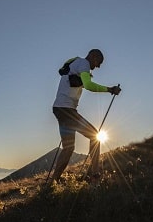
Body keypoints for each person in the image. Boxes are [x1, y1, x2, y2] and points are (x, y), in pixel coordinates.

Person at [51, 48, 121, 182]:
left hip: (60, 109)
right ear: (93, 56)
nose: (98, 66)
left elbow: (70, 79)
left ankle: (53, 183)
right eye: (99, 62)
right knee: (95, 136)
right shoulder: (84, 64)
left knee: (68, 148)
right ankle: (95, 176)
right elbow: (88, 86)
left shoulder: (75, 63)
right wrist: (110, 89)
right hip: (67, 110)